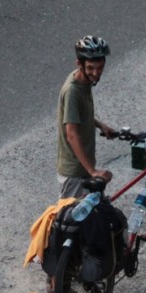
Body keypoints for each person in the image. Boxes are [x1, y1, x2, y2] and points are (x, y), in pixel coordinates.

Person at [57, 34, 119, 201]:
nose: (96, 73)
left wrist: (100, 125)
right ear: (79, 63)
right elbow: (71, 134)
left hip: (84, 167)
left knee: (99, 212)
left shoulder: (83, 80)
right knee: (73, 216)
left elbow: (79, 114)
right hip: (75, 174)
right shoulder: (73, 91)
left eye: (100, 67)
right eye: (91, 68)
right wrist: (93, 171)